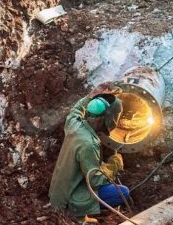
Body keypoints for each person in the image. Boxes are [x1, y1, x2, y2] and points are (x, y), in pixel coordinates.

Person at [49, 82, 130, 219]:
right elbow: (96, 181)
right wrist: (114, 165)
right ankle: (78, 215)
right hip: (69, 200)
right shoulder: (89, 144)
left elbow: (76, 109)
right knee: (122, 192)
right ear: (107, 118)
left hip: (57, 194)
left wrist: (92, 94)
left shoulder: (75, 124)